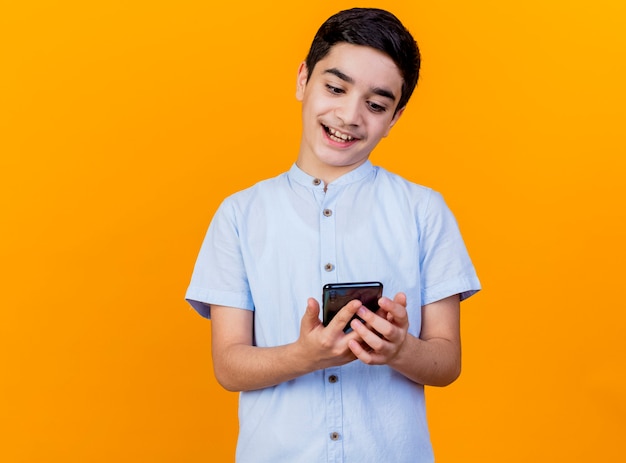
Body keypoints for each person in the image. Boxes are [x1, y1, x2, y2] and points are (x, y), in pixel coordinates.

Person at [185, 7, 480, 463]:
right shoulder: (239, 215)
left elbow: (447, 363)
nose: (349, 114)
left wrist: (401, 348)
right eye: (335, 87)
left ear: (395, 117)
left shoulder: (424, 211)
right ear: (303, 79)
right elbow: (228, 365)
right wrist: (303, 356)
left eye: (376, 104)